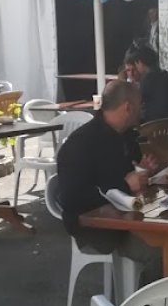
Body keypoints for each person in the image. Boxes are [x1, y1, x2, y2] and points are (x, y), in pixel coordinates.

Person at [56, 80, 161, 268]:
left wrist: (142, 171)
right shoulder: (80, 143)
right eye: (140, 105)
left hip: (131, 216)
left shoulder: (126, 136)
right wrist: (126, 185)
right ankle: (151, 289)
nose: (142, 110)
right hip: (97, 230)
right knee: (164, 252)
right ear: (128, 107)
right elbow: (72, 199)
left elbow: (128, 174)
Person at [124, 43, 168, 123]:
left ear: (140, 62)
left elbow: (134, 105)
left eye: (136, 65)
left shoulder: (147, 80)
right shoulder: (167, 76)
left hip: (156, 127)